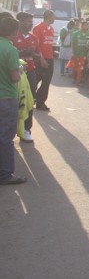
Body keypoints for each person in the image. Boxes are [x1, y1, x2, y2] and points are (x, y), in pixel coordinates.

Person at [0, 17, 26, 185]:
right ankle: (5, 174)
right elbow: (14, 77)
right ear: (14, 31)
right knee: (6, 138)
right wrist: (21, 69)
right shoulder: (10, 50)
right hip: (7, 98)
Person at [13, 12, 45, 143]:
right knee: (15, 101)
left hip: (30, 72)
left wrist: (36, 56)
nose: (31, 24)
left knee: (29, 101)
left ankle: (26, 130)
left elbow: (37, 54)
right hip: (16, 73)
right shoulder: (13, 37)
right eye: (28, 21)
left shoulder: (33, 37)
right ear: (20, 22)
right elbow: (11, 55)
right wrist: (24, 52)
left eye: (32, 21)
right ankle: (12, 129)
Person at [32, 10, 55, 111]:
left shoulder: (51, 29)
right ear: (49, 17)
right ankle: (31, 99)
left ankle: (41, 102)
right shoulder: (38, 28)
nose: (54, 19)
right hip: (39, 59)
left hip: (50, 58)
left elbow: (48, 44)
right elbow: (36, 45)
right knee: (35, 80)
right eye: (53, 17)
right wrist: (41, 59)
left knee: (46, 81)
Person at [70, 20, 89, 86]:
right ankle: (73, 78)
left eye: (87, 25)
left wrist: (88, 54)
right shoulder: (76, 33)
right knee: (75, 67)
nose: (85, 26)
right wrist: (73, 53)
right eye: (84, 25)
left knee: (81, 68)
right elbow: (73, 44)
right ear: (81, 26)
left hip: (84, 54)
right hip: (76, 54)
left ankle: (78, 81)